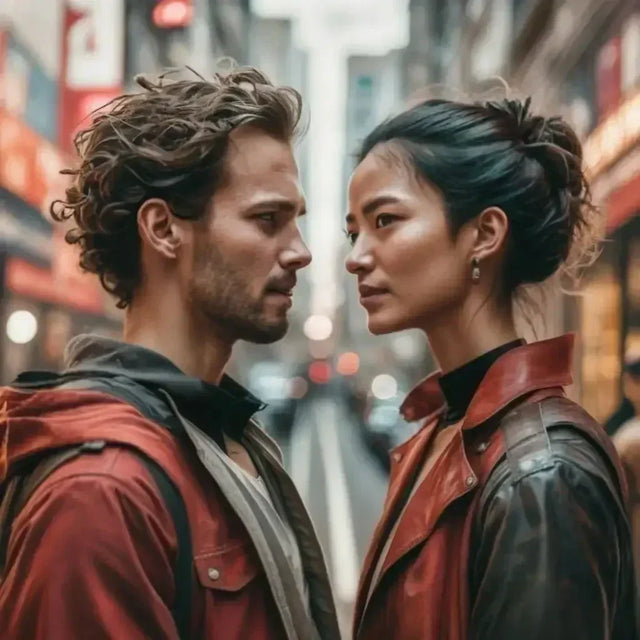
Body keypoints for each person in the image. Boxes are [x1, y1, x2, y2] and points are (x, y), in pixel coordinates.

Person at [0, 67, 340, 640]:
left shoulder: (222, 437)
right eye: (267, 220)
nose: (300, 252)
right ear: (163, 228)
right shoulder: (100, 495)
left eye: (296, 222)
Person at [345, 96, 636, 639]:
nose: (356, 255)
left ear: (483, 234)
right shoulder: (443, 430)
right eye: (353, 231)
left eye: (385, 220)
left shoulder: (544, 473)